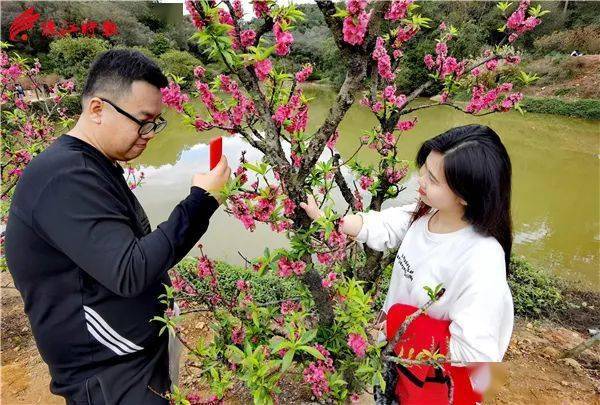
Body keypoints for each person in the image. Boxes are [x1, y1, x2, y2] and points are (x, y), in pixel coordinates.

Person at [5, 49, 231, 404]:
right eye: (143, 120)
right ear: (97, 109)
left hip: (129, 355)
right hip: (107, 373)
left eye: (156, 123)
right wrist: (201, 200)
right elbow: (130, 270)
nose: (150, 134)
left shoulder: (92, 165)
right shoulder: (64, 178)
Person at [301, 124, 514, 404]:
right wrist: (326, 219)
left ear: (466, 194)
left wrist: (397, 325)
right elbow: (382, 225)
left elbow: (475, 353)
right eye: (424, 169)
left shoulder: (481, 259)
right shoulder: (426, 215)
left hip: (432, 383)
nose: (420, 181)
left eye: (434, 180)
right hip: (399, 358)